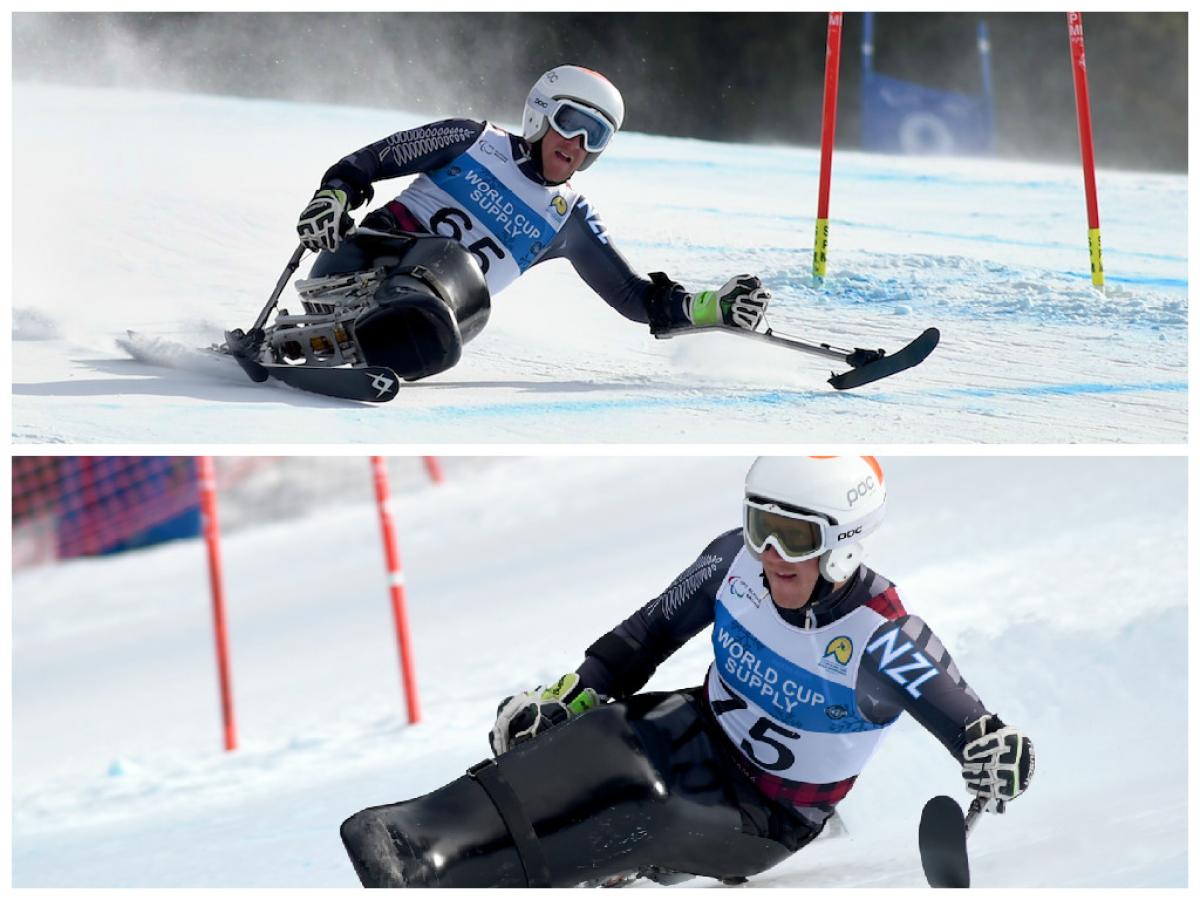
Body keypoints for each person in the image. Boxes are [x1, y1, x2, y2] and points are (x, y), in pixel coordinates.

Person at [340, 457, 1035, 888]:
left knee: (641, 803)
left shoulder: (882, 635)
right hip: (693, 732)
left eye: (793, 538)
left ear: (844, 546)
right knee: (598, 737)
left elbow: (975, 728)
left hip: (769, 814)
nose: (770, 553)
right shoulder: (733, 560)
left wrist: (996, 756)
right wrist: (574, 696)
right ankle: (417, 837)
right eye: (759, 523)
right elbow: (647, 635)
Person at [293, 65, 770, 379]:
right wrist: (334, 196)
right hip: (355, 267)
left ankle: (387, 347)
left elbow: (634, 297)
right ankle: (379, 325)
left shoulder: (567, 218)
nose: (577, 142)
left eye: (595, 135)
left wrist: (712, 308)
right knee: (453, 259)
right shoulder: (473, 140)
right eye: (570, 122)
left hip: (424, 322)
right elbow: (373, 159)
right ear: (541, 113)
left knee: (472, 306)